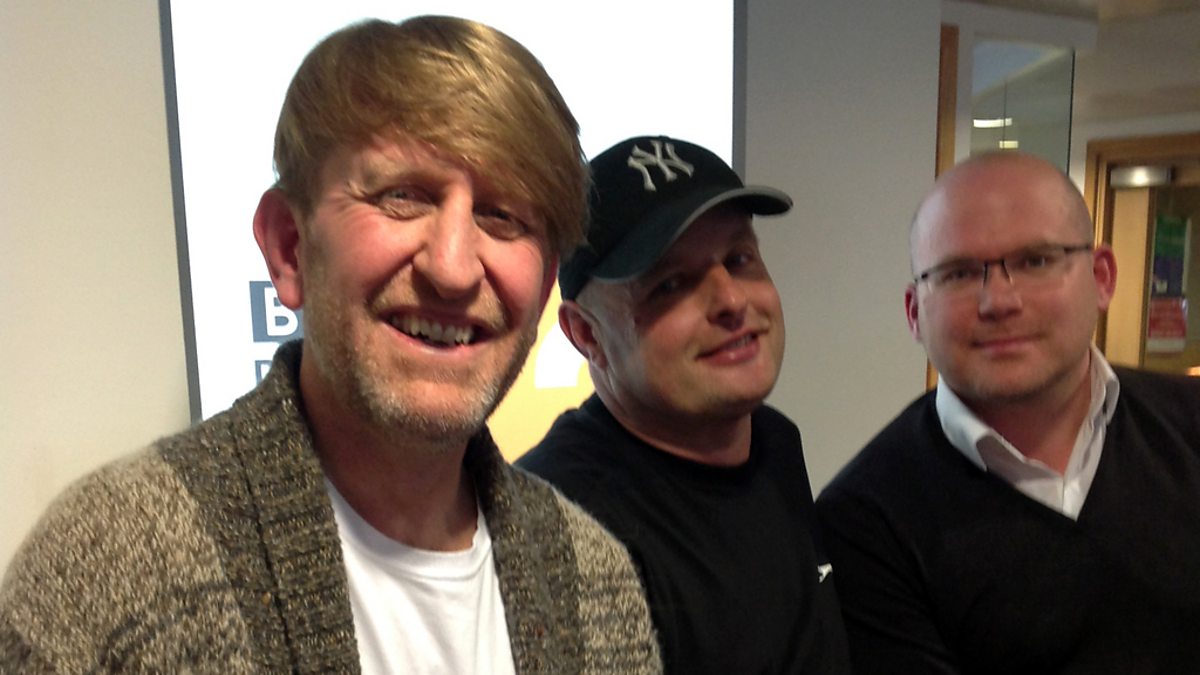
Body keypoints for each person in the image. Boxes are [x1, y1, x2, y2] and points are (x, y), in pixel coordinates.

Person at [0, 17, 661, 673]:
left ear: (543, 288)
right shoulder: (111, 568)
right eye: (403, 196)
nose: (454, 268)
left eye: (502, 215)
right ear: (290, 247)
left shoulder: (594, 581)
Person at [816, 151, 1200, 673]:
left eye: (1035, 261)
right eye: (957, 273)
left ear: (1101, 277)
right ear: (914, 312)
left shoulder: (1188, 422)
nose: (998, 301)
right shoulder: (864, 520)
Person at [517, 135, 850, 674]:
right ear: (586, 334)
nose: (732, 300)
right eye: (671, 284)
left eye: (739, 259)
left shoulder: (772, 439)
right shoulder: (558, 524)